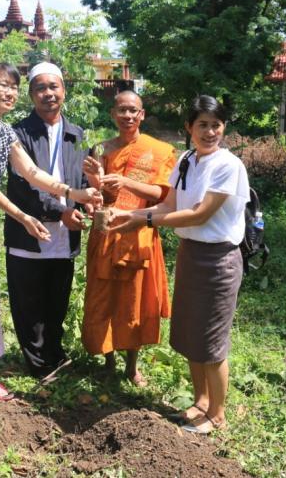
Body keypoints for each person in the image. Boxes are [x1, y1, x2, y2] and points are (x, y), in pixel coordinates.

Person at [0, 61, 100, 400]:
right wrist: (24, 216)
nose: (10, 91)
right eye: (4, 84)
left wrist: (74, 194)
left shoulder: (5, 131)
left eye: (14, 86)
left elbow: (32, 172)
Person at [109, 95, 250, 434]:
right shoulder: (187, 159)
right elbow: (169, 203)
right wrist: (131, 214)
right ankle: (200, 402)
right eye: (202, 124)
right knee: (189, 331)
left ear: (223, 127)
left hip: (218, 260)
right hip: (190, 253)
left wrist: (142, 222)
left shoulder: (228, 165)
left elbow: (201, 213)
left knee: (211, 340)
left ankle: (217, 414)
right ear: (189, 127)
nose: (210, 131)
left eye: (216, 125)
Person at [81, 91, 177, 386]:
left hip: (138, 233)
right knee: (104, 299)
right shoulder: (101, 149)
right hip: (107, 233)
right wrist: (97, 186)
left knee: (134, 303)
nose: (127, 116)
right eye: (122, 110)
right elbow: (100, 197)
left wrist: (126, 182)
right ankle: (108, 359)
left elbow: (162, 194)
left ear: (142, 115)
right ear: (113, 114)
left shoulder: (160, 150)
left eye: (133, 110)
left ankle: (132, 366)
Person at [4, 62, 92, 381]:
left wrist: (86, 205)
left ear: (64, 92)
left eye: (53, 87)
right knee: (29, 303)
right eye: (40, 88)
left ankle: (54, 353)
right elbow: (23, 186)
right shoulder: (16, 134)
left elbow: (82, 179)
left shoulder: (77, 135)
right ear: (31, 95)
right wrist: (60, 211)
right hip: (29, 231)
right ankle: (38, 364)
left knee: (57, 299)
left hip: (66, 234)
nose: (48, 94)